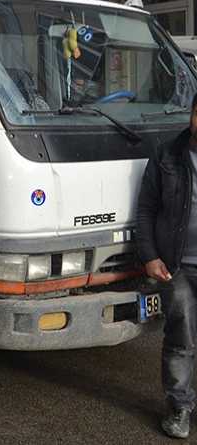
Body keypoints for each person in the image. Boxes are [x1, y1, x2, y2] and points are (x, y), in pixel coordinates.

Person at [137, 92, 197, 439]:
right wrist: (149, 256)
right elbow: (145, 210)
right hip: (176, 267)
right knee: (181, 339)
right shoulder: (166, 155)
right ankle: (179, 408)